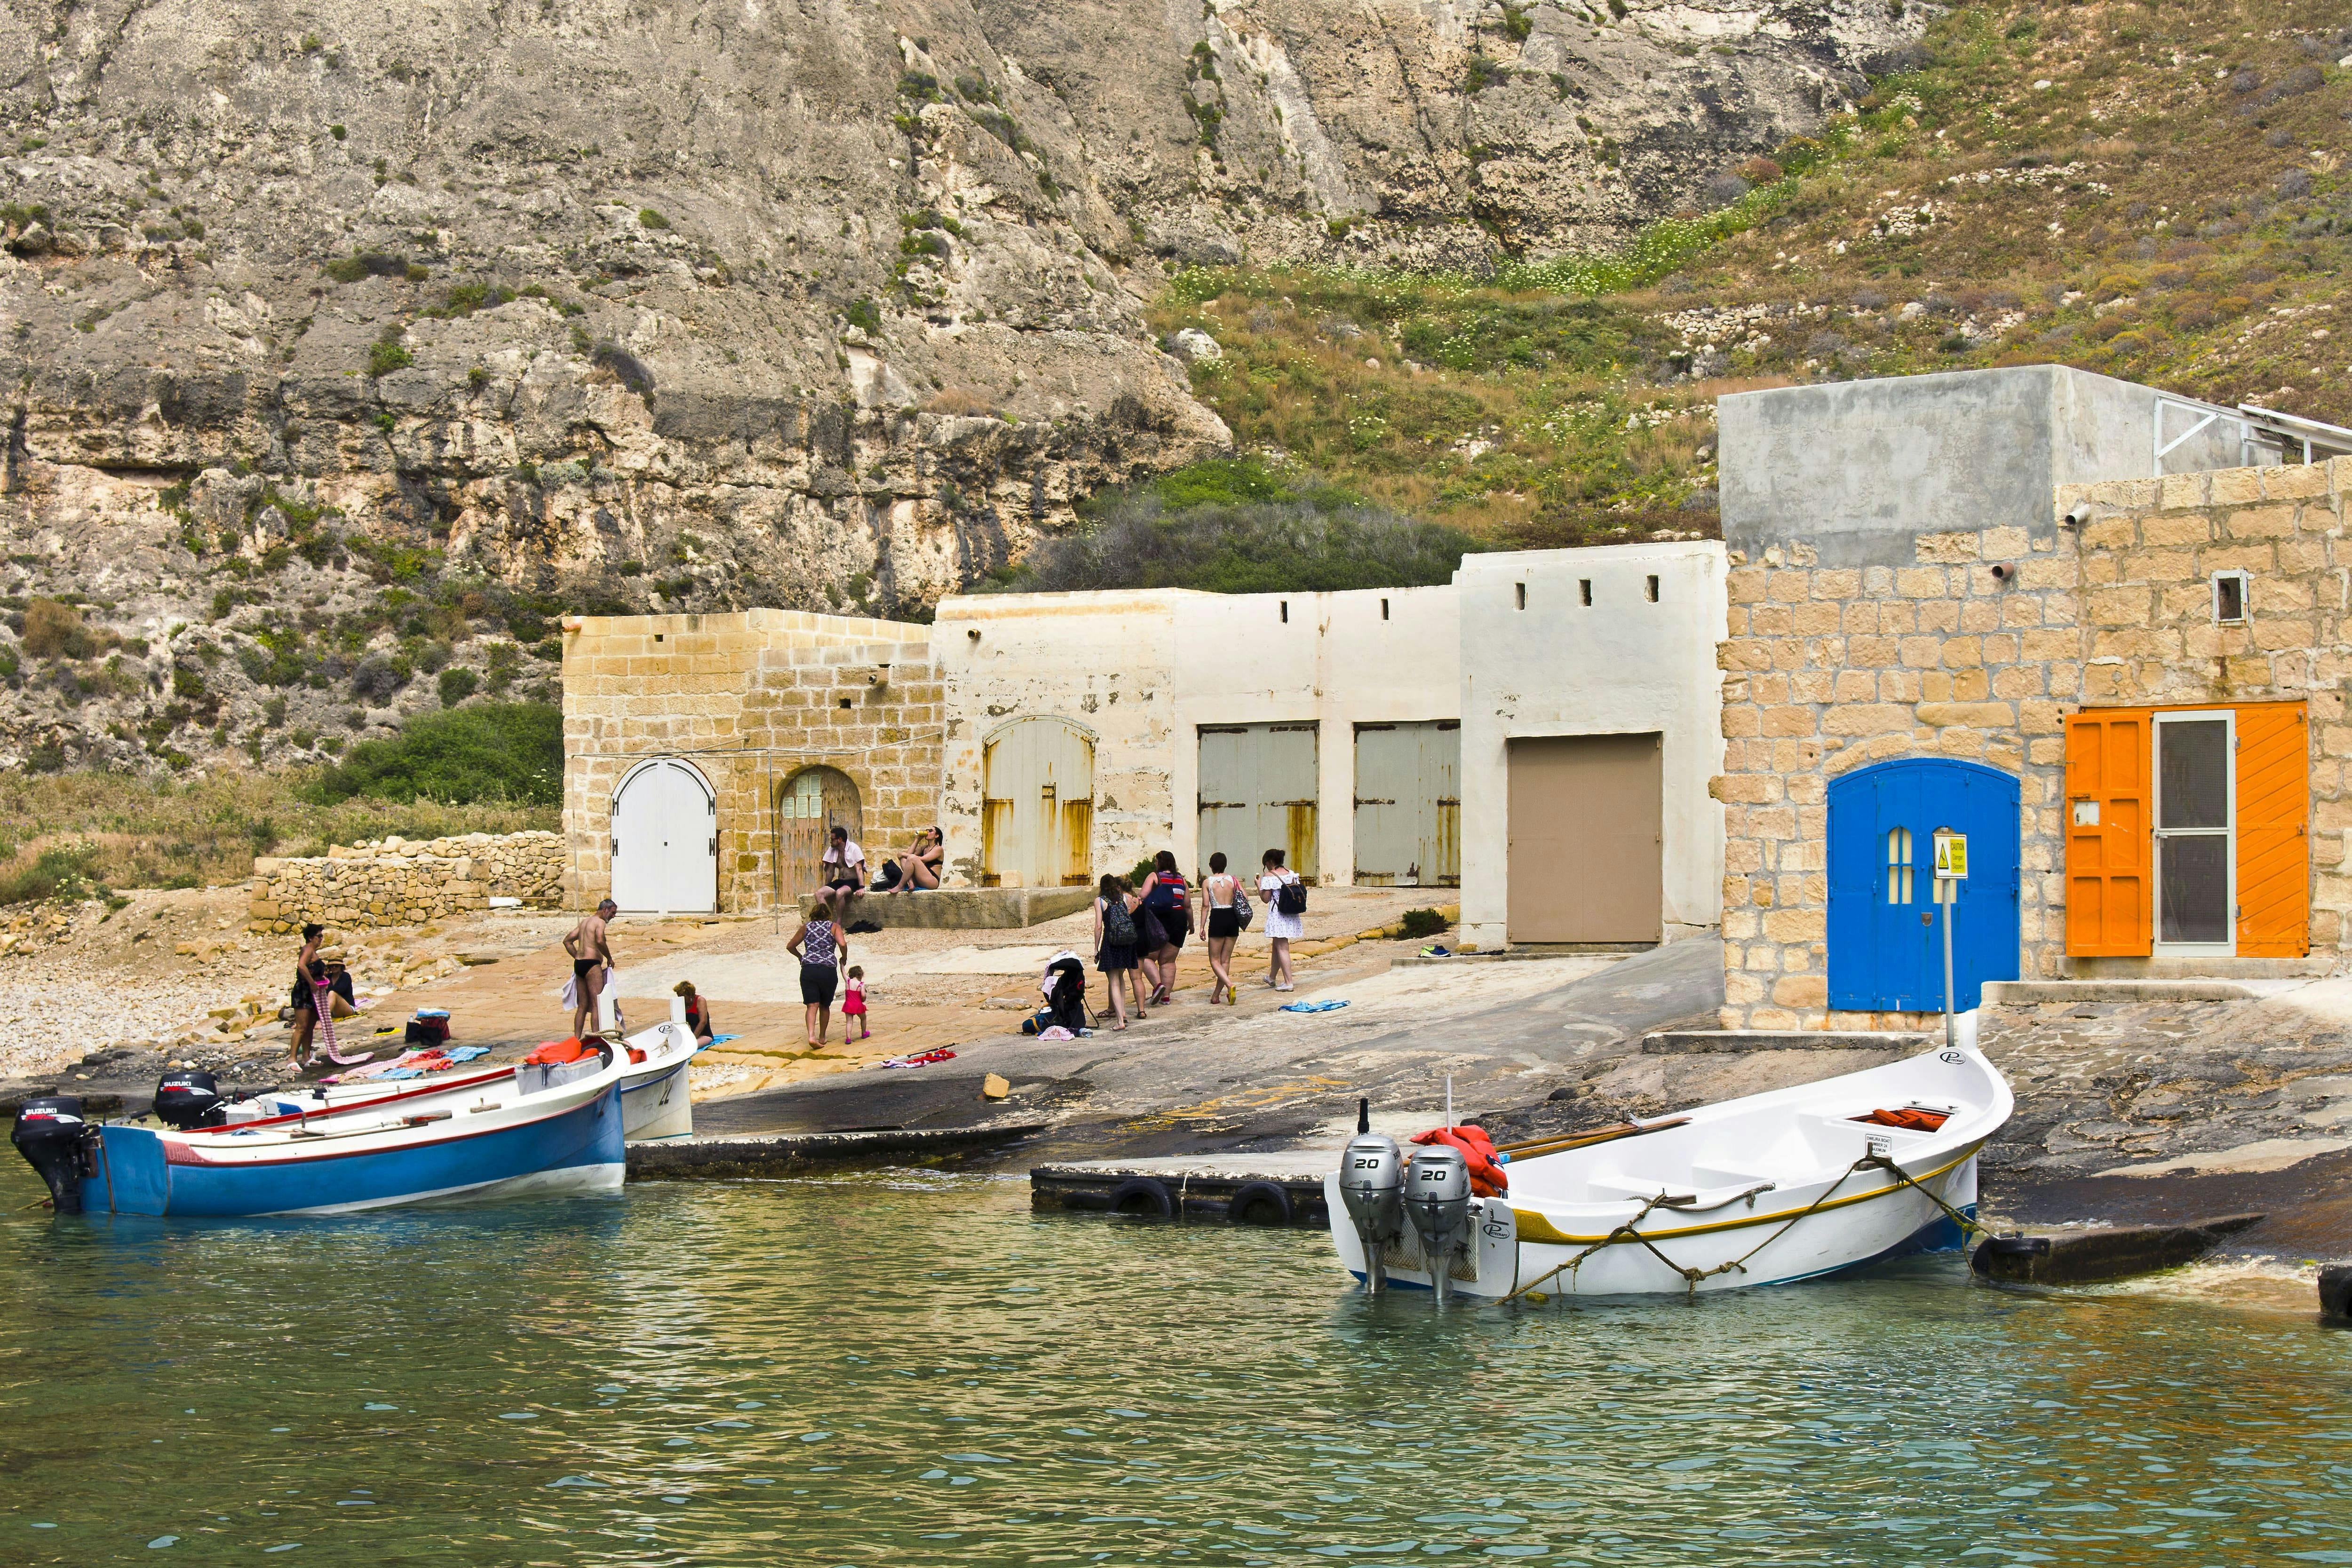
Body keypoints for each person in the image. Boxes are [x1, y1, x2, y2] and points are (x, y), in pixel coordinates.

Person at [787, 887, 848, 1047]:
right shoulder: (834, 927)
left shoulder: (806, 928)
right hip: (828, 969)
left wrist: (801, 957)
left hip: (809, 969)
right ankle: (822, 1037)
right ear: (827, 915)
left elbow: (790, 946)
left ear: (813, 915)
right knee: (824, 1005)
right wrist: (844, 957)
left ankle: (811, 1036)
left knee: (812, 1005)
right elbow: (842, 943)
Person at [1136, 850, 1193, 1006]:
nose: (1155, 864)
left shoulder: (1155, 876)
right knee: (1168, 961)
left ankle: (1158, 985)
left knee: (1147, 957)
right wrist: (1192, 925)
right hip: (1180, 920)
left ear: (1160, 863)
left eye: (1156, 861)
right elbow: (1187, 905)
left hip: (1159, 919)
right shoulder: (1182, 880)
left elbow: (1142, 896)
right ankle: (1166, 997)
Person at [1092, 872, 1148, 1030]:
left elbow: (1098, 926)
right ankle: (1122, 1012)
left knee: (1114, 981)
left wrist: (1096, 948)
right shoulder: (1123, 899)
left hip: (1111, 943)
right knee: (1121, 977)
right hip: (1127, 943)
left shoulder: (1100, 901)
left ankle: (1120, 1022)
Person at [564, 898, 618, 1039]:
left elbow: (568, 941)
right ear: (605, 909)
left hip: (579, 964)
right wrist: (609, 957)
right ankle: (597, 1037)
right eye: (612, 913)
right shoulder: (599, 922)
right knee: (596, 1004)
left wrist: (578, 956)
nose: (613, 916)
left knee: (582, 1005)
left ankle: (576, 1039)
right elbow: (600, 940)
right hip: (592, 965)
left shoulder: (585, 922)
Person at [1201, 852, 1248, 1006]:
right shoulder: (1233, 880)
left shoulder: (1208, 882)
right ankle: (1216, 996)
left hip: (1218, 917)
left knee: (1214, 959)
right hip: (1232, 917)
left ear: (1211, 866)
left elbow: (1206, 905)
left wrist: (1201, 926)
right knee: (1225, 960)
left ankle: (1229, 985)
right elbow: (1245, 897)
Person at [1258, 848, 1303, 992]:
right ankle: (1271, 977)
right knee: (1277, 945)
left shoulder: (1270, 876)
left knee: (1283, 947)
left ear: (1270, 862)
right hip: (1290, 913)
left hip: (1278, 915)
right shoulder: (1292, 874)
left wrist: (1259, 885)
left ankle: (1288, 982)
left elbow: (1265, 899)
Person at [285, 922, 328, 1070]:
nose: (321, 939)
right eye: (319, 936)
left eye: (322, 936)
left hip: (313, 993)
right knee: (302, 1027)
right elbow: (301, 966)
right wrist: (311, 983)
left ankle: (306, 1056)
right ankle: (292, 1058)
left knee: (310, 1026)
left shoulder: (314, 952)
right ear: (310, 937)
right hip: (304, 991)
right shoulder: (308, 950)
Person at [886, 827, 944, 893]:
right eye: (927, 830)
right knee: (904, 859)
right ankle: (911, 884)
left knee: (911, 858)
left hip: (932, 882)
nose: (927, 832)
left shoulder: (939, 849)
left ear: (936, 836)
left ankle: (900, 886)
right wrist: (917, 840)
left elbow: (923, 859)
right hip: (920, 880)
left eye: (930, 831)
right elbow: (908, 856)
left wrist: (903, 854)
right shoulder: (924, 848)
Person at [822, 826, 868, 907]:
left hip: (853, 881)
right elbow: (830, 871)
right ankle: (826, 918)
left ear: (840, 840)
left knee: (840, 893)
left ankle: (839, 920)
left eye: (833, 840)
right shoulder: (832, 850)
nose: (831, 842)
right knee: (819, 894)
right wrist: (827, 886)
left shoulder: (854, 848)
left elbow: (859, 869)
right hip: (840, 881)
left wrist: (862, 887)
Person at [672, 979, 716, 1045]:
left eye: (682, 996)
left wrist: (693, 1038)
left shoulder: (700, 1001)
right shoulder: (681, 1004)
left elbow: (703, 1022)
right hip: (691, 1035)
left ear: (689, 995)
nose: (680, 998)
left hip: (704, 1035)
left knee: (690, 1047)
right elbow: (674, 1021)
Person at [843, 964, 871, 1041]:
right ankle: (864, 1033)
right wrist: (864, 999)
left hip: (848, 1005)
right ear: (860, 975)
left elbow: (843, 973)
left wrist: (842, 964)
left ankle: (848, 1039)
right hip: (858, 1005)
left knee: (849, 1022)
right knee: (863, 1018)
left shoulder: (848, 981)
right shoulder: (861, 984)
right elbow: (863, 995)